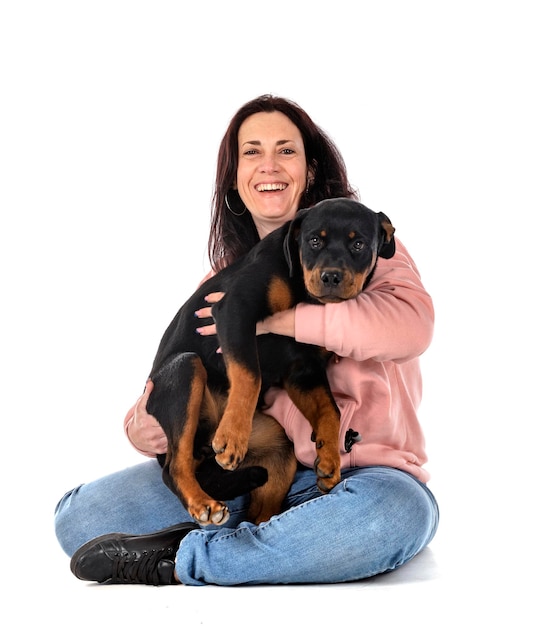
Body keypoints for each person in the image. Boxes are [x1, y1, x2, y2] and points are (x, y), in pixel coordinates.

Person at [55, 94, 439, 586]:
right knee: (78, 521)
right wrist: (139, 426)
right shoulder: (224, 280)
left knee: (394, 515)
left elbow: (413, 325)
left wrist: (280, 322)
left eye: (286, 150)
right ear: (234, 175)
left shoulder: (366, 239)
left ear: (310, 166)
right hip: (243, 463)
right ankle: (269, 542)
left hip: (362, 478)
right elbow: (177, 369)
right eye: (252, 152)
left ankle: (185, 558)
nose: (269, 165)